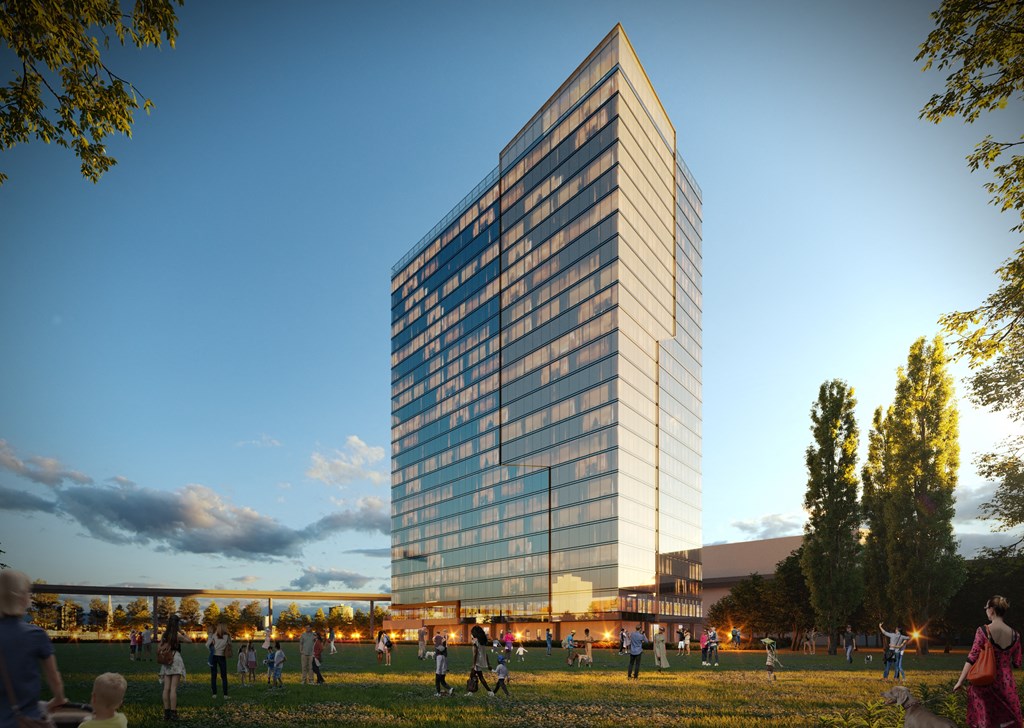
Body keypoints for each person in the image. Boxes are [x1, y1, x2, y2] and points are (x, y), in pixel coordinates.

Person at [0, 570, 67, 725]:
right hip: (26, 718)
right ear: (23, 597)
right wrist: (58, 698)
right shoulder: (35, 635)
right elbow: (53, 677)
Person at [954, 595, 1022, 728]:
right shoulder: (1016, 635)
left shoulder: (983, 631)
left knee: (985, 722)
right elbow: (1017, 663)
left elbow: (972, 657)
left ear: (991, 610)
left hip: (985, 683)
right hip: (1006, 686)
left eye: (986, 608)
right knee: (1008, 723)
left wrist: (960, 681)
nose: (986, 611)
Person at [158, 613, 191, 721]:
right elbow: (189, 640)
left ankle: (166, 713)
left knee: (166, 689)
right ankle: (173, 713)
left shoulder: (164, 634)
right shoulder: (177, 634)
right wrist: (182, 631)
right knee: (173, 689)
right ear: (177, 624)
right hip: (175, 658)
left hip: (167, 660)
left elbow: (159, 648)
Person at [206, 622, 232, 698]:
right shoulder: (227, 636)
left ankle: (214, 694)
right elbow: (230, 645)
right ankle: (225, 695)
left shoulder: (214, 635)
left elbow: (207, 645)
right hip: (222, 656)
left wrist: (210, 637)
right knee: (224, 676)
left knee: (213, 676)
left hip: (213, 656)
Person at [467, 625, 494, 696]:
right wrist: (488, 663)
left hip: (477, 661)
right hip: (481, 660)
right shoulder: (482, 642)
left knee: (475, 676)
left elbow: (475, 653)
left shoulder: (475, 641)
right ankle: (472, 691)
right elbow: (485, 654)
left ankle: (488, 691)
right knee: (475, 676)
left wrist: (473, 664)